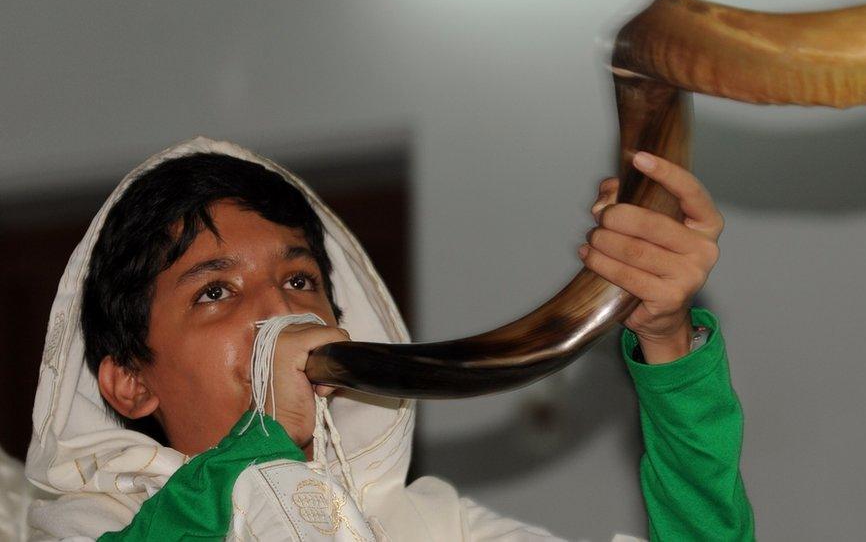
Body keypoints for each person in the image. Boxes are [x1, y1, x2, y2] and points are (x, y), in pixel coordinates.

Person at [24, 137, 753, 541]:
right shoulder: (90, 525)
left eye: (302, 281)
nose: (278, 311)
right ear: (127, 379)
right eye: (215, 291)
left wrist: (667, 340)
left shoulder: (426, 526)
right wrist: (264, 435)